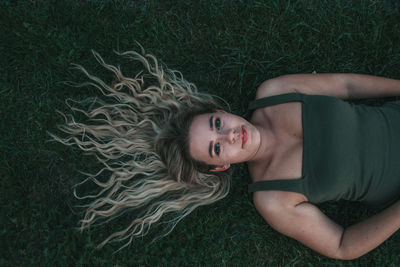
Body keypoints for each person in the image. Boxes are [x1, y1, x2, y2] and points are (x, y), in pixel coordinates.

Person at [52, 49, 400, 259]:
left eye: (217, 122)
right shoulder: (273, 199)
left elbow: (346, 86)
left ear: (221, 110)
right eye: (218, 146)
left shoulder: (275, 92)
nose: (232, 133)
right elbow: (342, 245)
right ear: (220, 165)